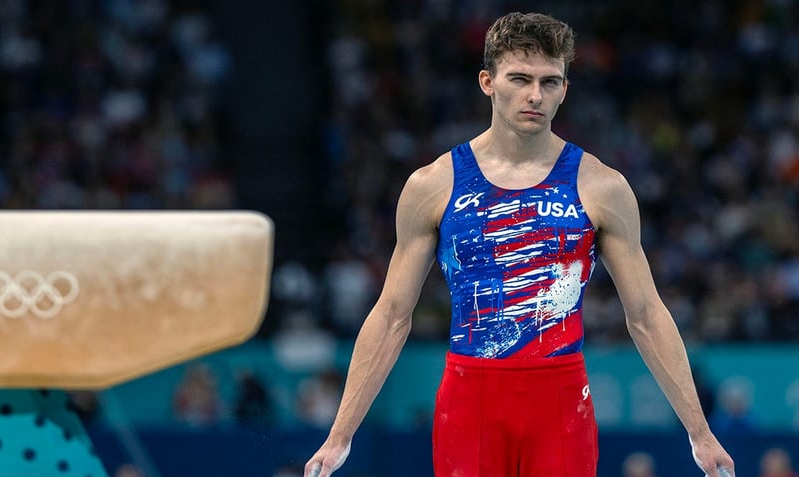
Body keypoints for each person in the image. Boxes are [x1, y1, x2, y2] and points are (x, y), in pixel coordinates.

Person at [304, 11, 735, 477]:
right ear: (487, 81)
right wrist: (339, 435)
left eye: (551, 82)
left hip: (559, 401)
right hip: (471, 403)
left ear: (565, 89)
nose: (536, 96)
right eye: (520, 79)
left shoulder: (602, 188)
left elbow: (646, 314)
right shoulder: (433, 185)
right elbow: (391, 314)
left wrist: (700, 433)